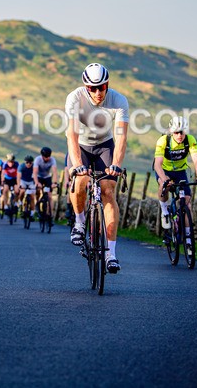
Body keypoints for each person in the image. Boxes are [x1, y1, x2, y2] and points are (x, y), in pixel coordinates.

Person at [66, 62, 129, 274]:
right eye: (92, 88)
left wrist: (116, 165)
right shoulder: (75, 98)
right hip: (81, 145)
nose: (97, 92)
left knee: (108, 190)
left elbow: (121, 137)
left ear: (107, 84)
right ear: (85, 87)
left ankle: (111, 253)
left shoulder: (119, 101)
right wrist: (77, 165)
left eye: (101, 87)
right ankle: (80, 222)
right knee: (80, 180)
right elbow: (71, 134)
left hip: (105, 145)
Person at [153, 116, 197, 248]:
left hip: (181, 172)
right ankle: (165, 212)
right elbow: (157, 164)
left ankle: (188, 239)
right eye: (176, 132)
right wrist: (165, 179)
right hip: (164, 170)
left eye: (182, 132)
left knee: (187, 203)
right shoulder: (163, 140)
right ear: (171, 132)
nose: (179, 135)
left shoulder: (190, 140)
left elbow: (196, 159)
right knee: (162, 186)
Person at [33, 146, 58, 215]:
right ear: (42, 156)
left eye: (49, 156)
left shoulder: (52, 160)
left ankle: (49, 214)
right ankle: (37, 203)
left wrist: (54, 183)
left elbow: (55, 172)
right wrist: (37, 182)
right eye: (46, 157)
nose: (47, 158)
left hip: (47, 177)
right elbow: (35, 172)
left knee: (50, 196)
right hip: (38, 177)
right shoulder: (37, 159)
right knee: (38, 190)